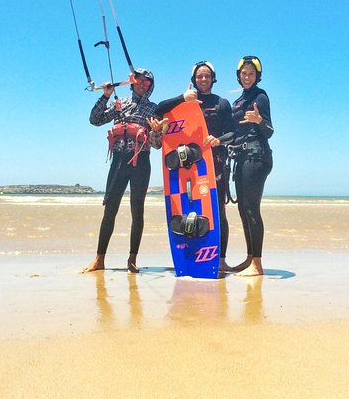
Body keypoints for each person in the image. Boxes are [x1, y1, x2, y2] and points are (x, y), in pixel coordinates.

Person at [149, 61, 234, 272]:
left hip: (215, 164)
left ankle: (220, 258)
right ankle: (190, 253)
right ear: (193, 80)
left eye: (207, 76)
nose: (203, 80)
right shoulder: (185, 103)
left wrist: (219, 139)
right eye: (199, 77)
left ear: (213, 78)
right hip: (187, 165)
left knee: (217, 212)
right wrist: (182, 98)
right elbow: (158, 109)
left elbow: (232, 133)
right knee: (188, 208)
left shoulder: (222, 103)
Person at [81, 68, 162, 274]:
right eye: (140, 81)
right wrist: (105, 95)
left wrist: (157, 130)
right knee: (110, 210)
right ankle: (99, 259)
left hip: (141, 163)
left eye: (147, 83)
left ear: (151, 87)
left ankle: (132, 260)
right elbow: (95, 120)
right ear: (133, 82)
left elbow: (157, 145)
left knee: (138, 211)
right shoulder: (120, 103)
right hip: (118, 162)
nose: (143, 85)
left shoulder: (154, 110)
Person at [228, 56, 273, 276]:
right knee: (242, 209)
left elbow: (270, 131)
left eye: (251, 74)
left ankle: (257, 263)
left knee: (251, 209)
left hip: (257, 156)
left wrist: (259, 121)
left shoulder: (260, 97)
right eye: (244, 73)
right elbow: (233, 132)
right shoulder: (238, 102)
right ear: (239, 76)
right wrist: (218, 139)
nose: (247, 77)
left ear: (257, 76)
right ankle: (249, 258)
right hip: (241, 158)